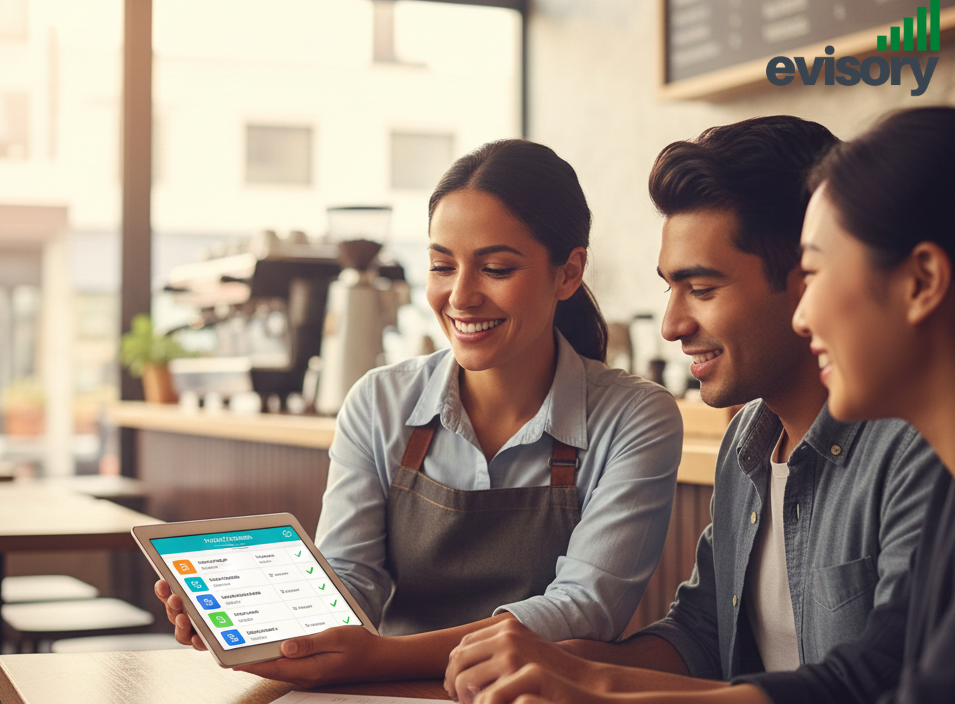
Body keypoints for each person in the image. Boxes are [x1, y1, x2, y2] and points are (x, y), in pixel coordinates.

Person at [444, 116, 945, 701]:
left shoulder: (921, 450)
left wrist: (594, 685)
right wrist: (561, 662)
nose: (672, 325)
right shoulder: (749, 441)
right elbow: (704, 633)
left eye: (702, 289)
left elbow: (872, 681)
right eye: (670, 288)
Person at [156, 139, 684, 686]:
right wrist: (273, 623)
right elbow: (350, 581)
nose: (461, 296)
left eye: (496, 268)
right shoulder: (379, 402)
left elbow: (585, 607)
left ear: (568, 273)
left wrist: (380, 657)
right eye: (441, 266)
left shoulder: (635, 417)